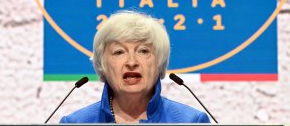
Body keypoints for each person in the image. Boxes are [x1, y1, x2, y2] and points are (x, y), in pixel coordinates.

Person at [60, 10, 210, 123]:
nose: (131, 62)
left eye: (143, 51)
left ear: (159, 62)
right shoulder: (76, 123)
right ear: (102, 65)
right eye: (119, 52)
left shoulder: (190, 122)